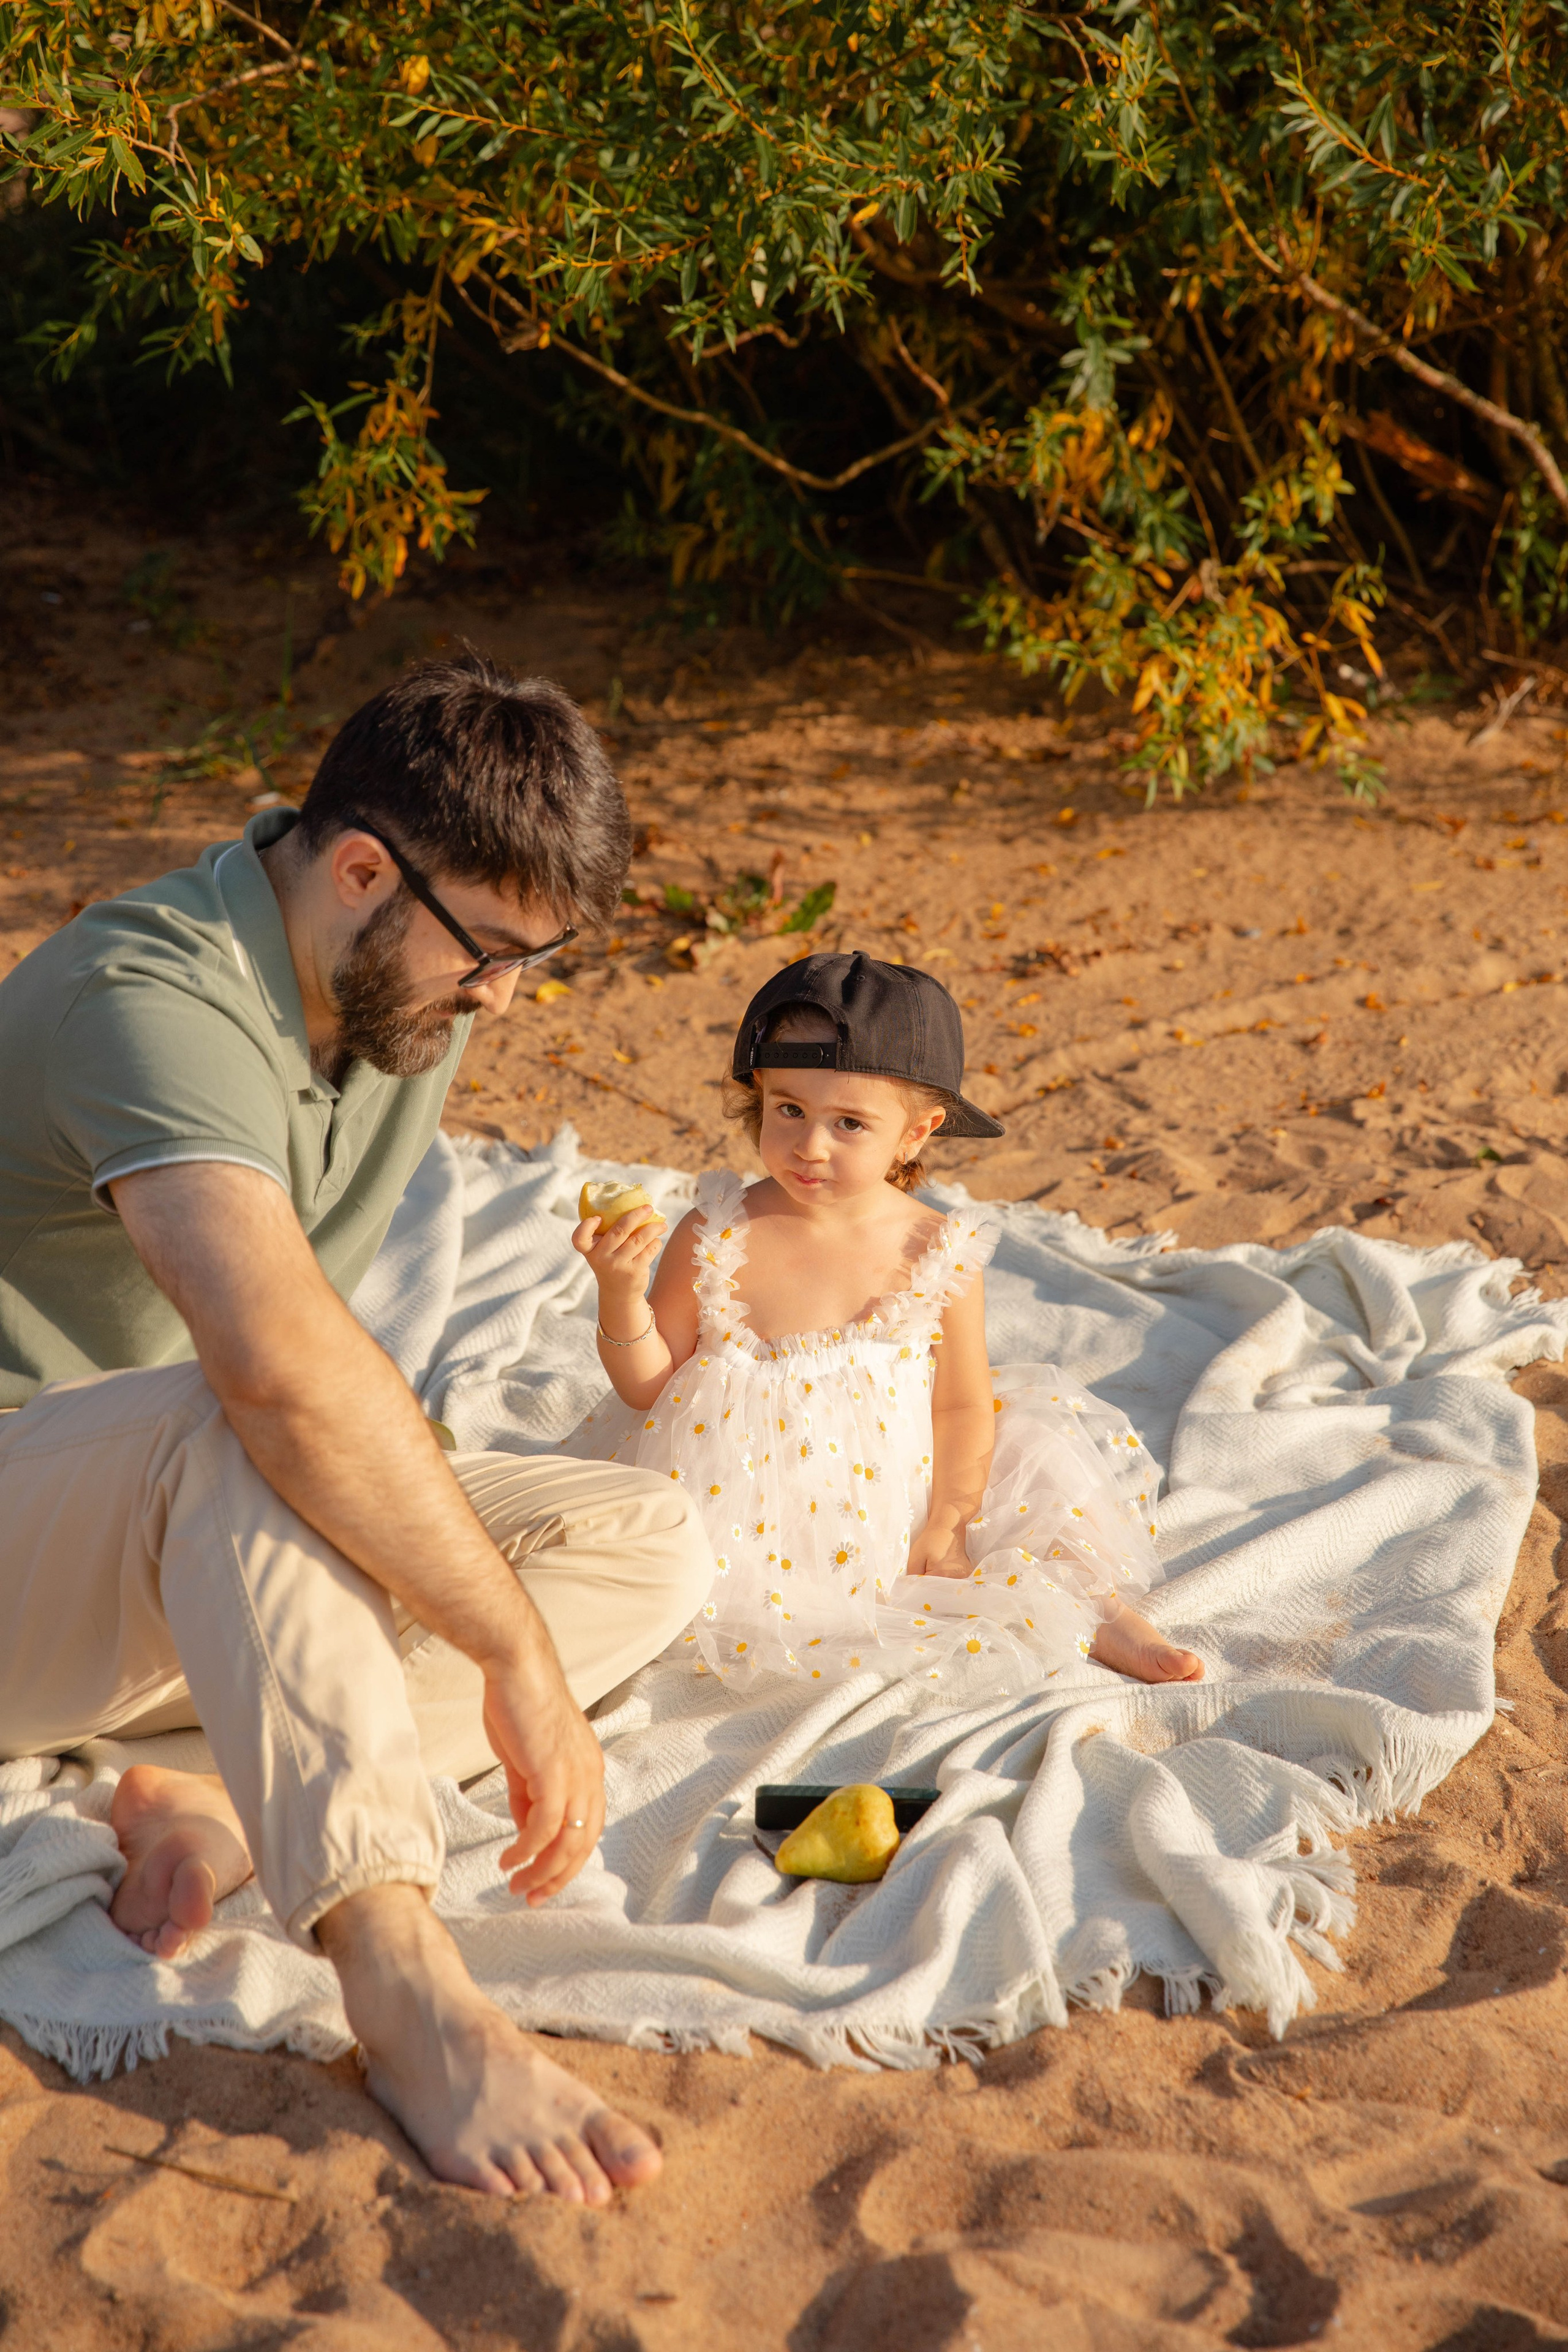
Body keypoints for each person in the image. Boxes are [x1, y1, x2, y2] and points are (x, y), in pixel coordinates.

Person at [0, 654, 716, 2203]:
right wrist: (511, 1655)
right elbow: (274, 1369)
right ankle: (403, 1982)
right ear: (361, 869)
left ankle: (208, 1781)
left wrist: (479, 1575)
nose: (503, 1000)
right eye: (492, 953)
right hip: (20, 1519)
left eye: (539, 961)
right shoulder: (154, 996)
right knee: (253, 1417)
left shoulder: (394, 975)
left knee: (640, 1532)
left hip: (144, 1540)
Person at [570, 952, 1204, 1689]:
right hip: (740, 1495)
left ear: (915, 1132)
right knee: (645, 1566)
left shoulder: (933, 1250)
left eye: (849, 1124)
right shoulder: (716, 1231)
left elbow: (962, 1403)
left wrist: (948, 1518)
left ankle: (1104, 1618)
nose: (810, 1145)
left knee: (1027, 1491)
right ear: (760, 1095)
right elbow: (650, 1391)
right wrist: (620, 1292)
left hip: (902, 1483)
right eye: (789, 1111)